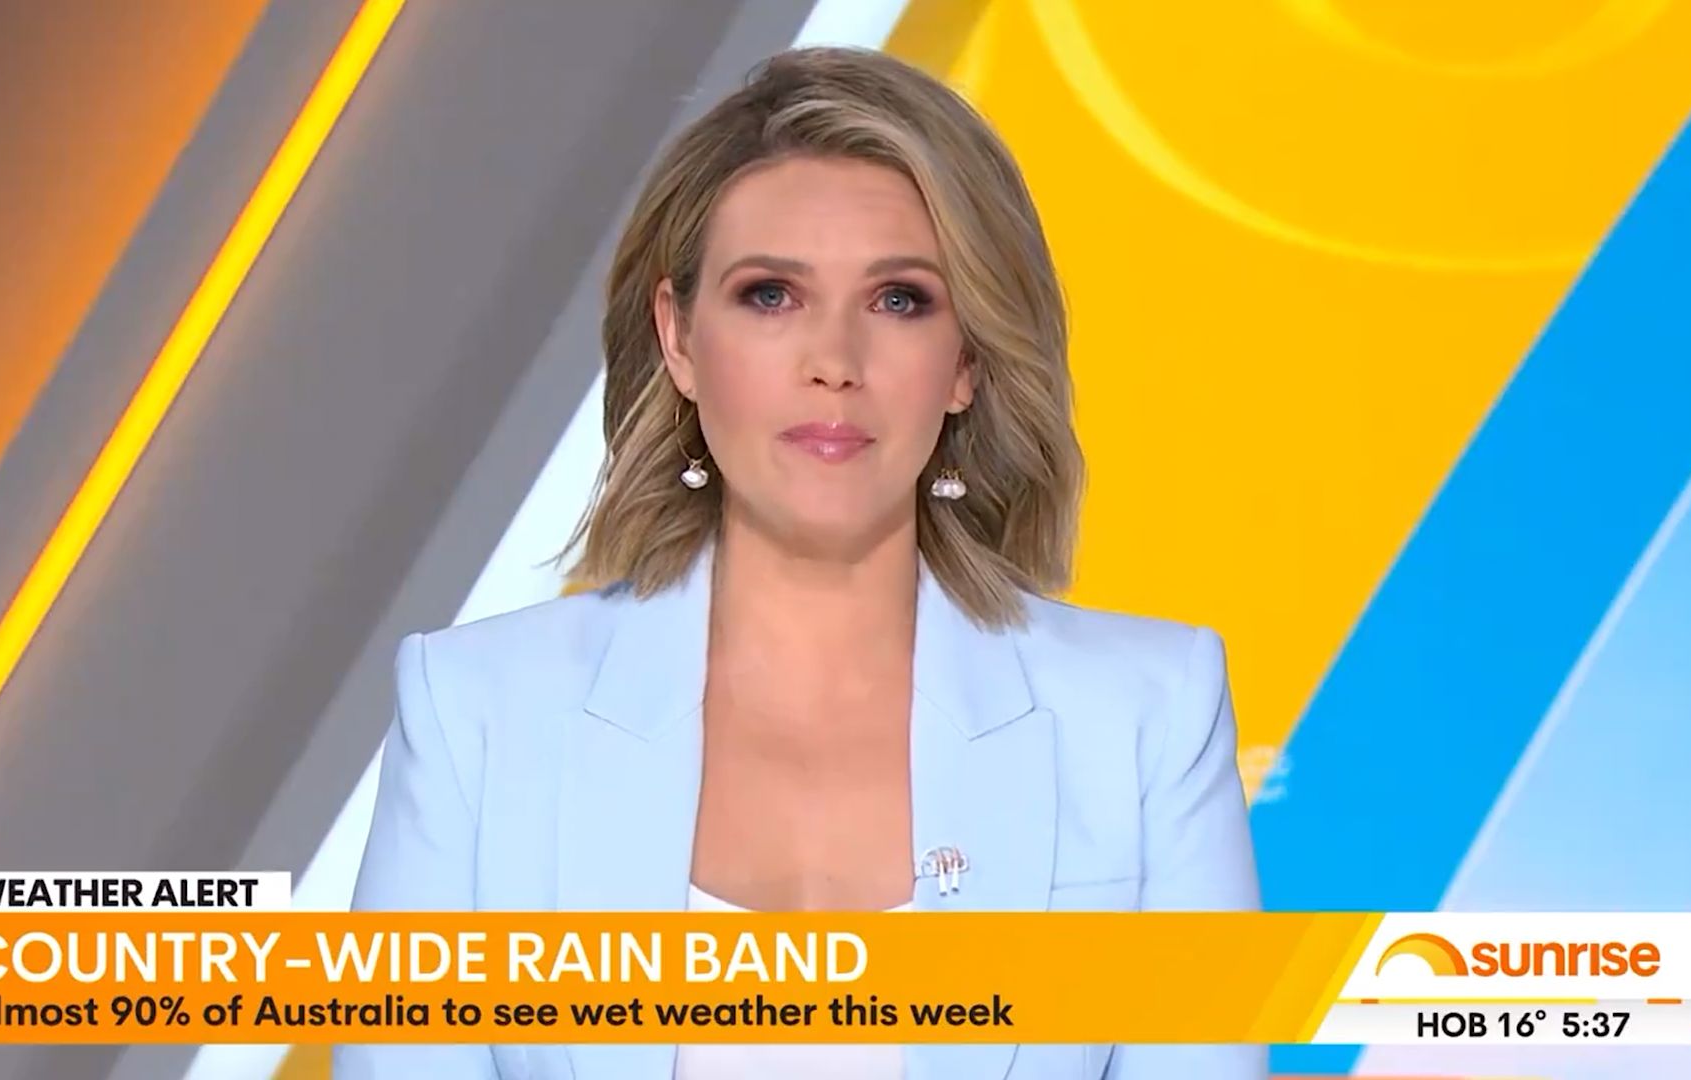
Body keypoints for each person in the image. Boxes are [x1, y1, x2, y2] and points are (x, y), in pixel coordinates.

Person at [338, 45, 1262, 1080]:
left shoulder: (1145, 720)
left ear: (966, 360)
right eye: (771, 295)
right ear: (679, 338)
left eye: (899, 300)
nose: (834, 362)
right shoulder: (476, 712)